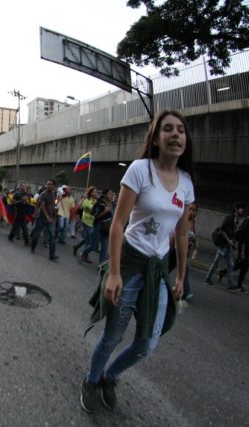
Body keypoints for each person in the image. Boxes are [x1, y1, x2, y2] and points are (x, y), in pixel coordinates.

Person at [80, 110, 195, 413]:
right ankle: (92, 380)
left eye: (180, 130)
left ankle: (110, 376)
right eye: (167, 129)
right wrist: (115, 273)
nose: (175, 135)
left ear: (186, 139)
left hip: (157, 269)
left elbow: (182, 235)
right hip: (129, 263)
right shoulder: (139, 170)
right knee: (113, 336)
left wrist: (182, 276)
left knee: (147, 344)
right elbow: (118, 224)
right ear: (156, 139)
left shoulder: (186, 182)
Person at [204, 201, 245, 290]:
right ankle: (207, 279)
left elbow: (232, 233)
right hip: (223, 245)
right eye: (241, 208)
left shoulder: (236, 219)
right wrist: (228, 240)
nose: (243, 210)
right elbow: (222, 230)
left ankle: (230, 285)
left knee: (230, 264)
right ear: (236, 209)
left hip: (229, 246)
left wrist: (233, 241)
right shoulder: (229, 218)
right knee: (216, 262)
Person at [81, 189, 114, 265]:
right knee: (93, 245)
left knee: (105, 247)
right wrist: (104, 212)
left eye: (112, 194)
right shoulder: (100, 203)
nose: (111, 196)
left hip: (107, 227)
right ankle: (84, 252)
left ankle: (101, 265)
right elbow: (94, 215)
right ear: (105, 194)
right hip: (98, 226)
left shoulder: (110, 204)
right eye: (109, 194)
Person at [219, 212, 249, 294]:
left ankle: (224, 272)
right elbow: (243, 236)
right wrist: (242, 251)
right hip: (244, 246)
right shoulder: (247, 221)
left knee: (241, 264)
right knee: (244, 265)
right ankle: (239, 284)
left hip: (246, 246)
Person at [30, 179, 59, 261]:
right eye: (47, 184)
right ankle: (32, 248)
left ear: (53, 186)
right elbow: (42, 206)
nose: (48, 186)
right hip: (42, 218)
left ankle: (52, 255)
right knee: (37, 234)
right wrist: (47, 216)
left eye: (50, 184)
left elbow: (53, 206)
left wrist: (54, 218)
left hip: (51, 219)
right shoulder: (43, 194)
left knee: (52, 237)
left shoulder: (54, 194)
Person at [73, 186, 98, 263]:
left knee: (87, 238)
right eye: (93, 192)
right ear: (90, 193)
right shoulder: (87, 200)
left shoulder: (96, 201)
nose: (95, 193)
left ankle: (76, 247)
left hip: (93, 222)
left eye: (96, 191)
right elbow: (79, 207)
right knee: (89, 240)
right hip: (86, 221)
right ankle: (84, 257)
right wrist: (84, 198)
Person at [8, 182, 30, 246]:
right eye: (22, 186)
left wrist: (27, 202)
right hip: (17, 212)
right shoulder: (17, 193)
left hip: (23, 213)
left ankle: (26, 241)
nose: (24, 187)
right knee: (17, 226)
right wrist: (21, 201)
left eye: (25, 186)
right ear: (20, 186)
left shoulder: (27, 194)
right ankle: (11, 237)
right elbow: (13, 202)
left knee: (23, 227)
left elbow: (28, 203)